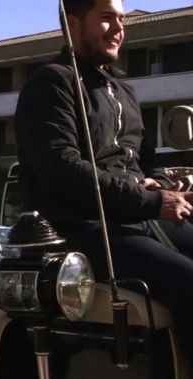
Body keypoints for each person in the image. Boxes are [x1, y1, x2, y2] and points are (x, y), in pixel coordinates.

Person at [15, 0, 193, 350]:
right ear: (73, 22)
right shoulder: (53, 83)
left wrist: (169, 184)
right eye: (107, 18)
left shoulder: (123, 89)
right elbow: (62, 169)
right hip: (89, 228)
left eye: (122, 19)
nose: (118, 28)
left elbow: (143, 159)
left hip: (138, 217)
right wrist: (151, 200)